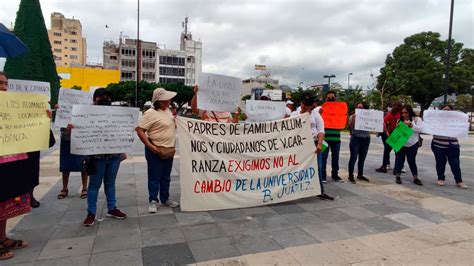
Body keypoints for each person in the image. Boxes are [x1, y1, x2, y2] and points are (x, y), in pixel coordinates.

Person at [0, 71, 51, 260]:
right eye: (0, 84)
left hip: (10, 165)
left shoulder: (13, 109)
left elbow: (40, 139)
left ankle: (2, 238)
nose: (4, 88)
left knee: (4, 204)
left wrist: (42, 119)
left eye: (6, 84)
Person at [82, 88, 127, 226]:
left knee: (110, 183)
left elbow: (121, 131)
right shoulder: (86, 114)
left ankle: (112, 208)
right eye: (101, 97)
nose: (105, 99)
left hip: (114, 156)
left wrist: (123, 149)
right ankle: (91, 213)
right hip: (97, 157)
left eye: (108, 97)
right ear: (94, 99)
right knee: (94, 185)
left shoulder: (116, 115)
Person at [136, 88, 180, 213]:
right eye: (165, 100)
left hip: (168, 150)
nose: (168, 101)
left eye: (169, 99)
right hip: (155, 149)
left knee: (166, 176)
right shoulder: (150, 113)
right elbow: (140, 130)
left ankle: (165, 198)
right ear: (158, 101)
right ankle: (153, 200)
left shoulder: (168, 111)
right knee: (154, 177)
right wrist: (150, 146)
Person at [291, 92, 334, 200]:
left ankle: (320, 190)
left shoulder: (315, 115)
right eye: (303, 103)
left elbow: (321, 130)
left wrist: (319, 144)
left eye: (308, 104)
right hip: (300, 145)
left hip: (314, 144)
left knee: (318, 167)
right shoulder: (295, 114)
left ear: (311, 105)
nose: (305, 106)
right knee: (297, 167)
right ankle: (294, 189)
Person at [431, 105, 467, 189]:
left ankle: (459, 181)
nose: (446, 112)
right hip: (438, 145)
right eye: (444, 110)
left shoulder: (456, 120)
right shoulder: (436, 120)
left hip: (453, 146)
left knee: (455, 163)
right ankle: (440, 178)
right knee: (440, 162)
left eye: (448, 110)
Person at [394, 105, 423, 186]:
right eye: (402, 113)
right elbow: (397, 132)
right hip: (401, 143)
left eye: (406, 112)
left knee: (411, 160)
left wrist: (410, 125)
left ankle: (415, 177)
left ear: (410, 112)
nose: (404, 114)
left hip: (413, 143)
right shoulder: (399, 120)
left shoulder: (416, 119)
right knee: (400, 159)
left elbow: (420, 129)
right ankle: (398, 176)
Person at [57, 126, 88, 199]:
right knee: (65, 164)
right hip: (66, 137)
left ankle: (84, 188)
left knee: (83, 163)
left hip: (81, 137)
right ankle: (64, 188)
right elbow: (60, 120)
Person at [321, 91, 344, 183]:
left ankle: (335, 175)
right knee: (323, 158)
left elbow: (343, 123)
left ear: (336, 98)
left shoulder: (340, 110)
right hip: (324, 139)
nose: (331, 99)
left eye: (332, 97)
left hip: (336, 139)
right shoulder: (321, 109)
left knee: (336, 158)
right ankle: (323, 176)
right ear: (325, 99)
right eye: (329, 98)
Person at [347, 103, 371, 183]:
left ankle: (360, 174)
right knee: (353, 158)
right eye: (358, 107)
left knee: (362, 158)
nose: (360, 108)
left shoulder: (368, 116)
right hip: (356, 138)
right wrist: (354, 119)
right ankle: (350, 175)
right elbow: (350, 128)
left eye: (361, 107)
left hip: (366, 138)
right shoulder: (353, 116)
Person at [376, 101, 402, 173]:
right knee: (398, 153)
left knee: (386, 151)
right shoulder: (401, 115)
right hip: (398, 136)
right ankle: (396, 169)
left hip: (391, 135)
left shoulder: (390, 114)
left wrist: (387, 133)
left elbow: (383, 123)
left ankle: (384, 167)